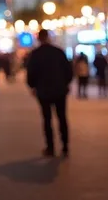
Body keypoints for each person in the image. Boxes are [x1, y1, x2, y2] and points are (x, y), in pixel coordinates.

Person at [27, 29, 73, 157]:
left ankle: (50, 147)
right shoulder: (58, 52)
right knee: (62, 117)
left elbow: (31, 72)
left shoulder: (35, 54)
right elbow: (68, 70)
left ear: (39, 39)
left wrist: (33, 86)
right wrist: (66, 83)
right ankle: (65, 146)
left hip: (43, 91)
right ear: (48, 37)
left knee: (47, 119)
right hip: (59, 90)